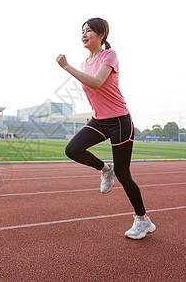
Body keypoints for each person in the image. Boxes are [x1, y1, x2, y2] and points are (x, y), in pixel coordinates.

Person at [56, 17, 155, 239]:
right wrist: (93, 116)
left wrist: (66, 67)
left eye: (89, 31)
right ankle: (104, 169)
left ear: (101, 35)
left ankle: (143, 220)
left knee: (124, 174)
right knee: (72, 149)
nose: (84, 34)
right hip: (99, 120)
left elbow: (97, 83)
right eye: (82, 31)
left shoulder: (109, 55)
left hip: (119, 121)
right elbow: (95, 94)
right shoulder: (84, 63)